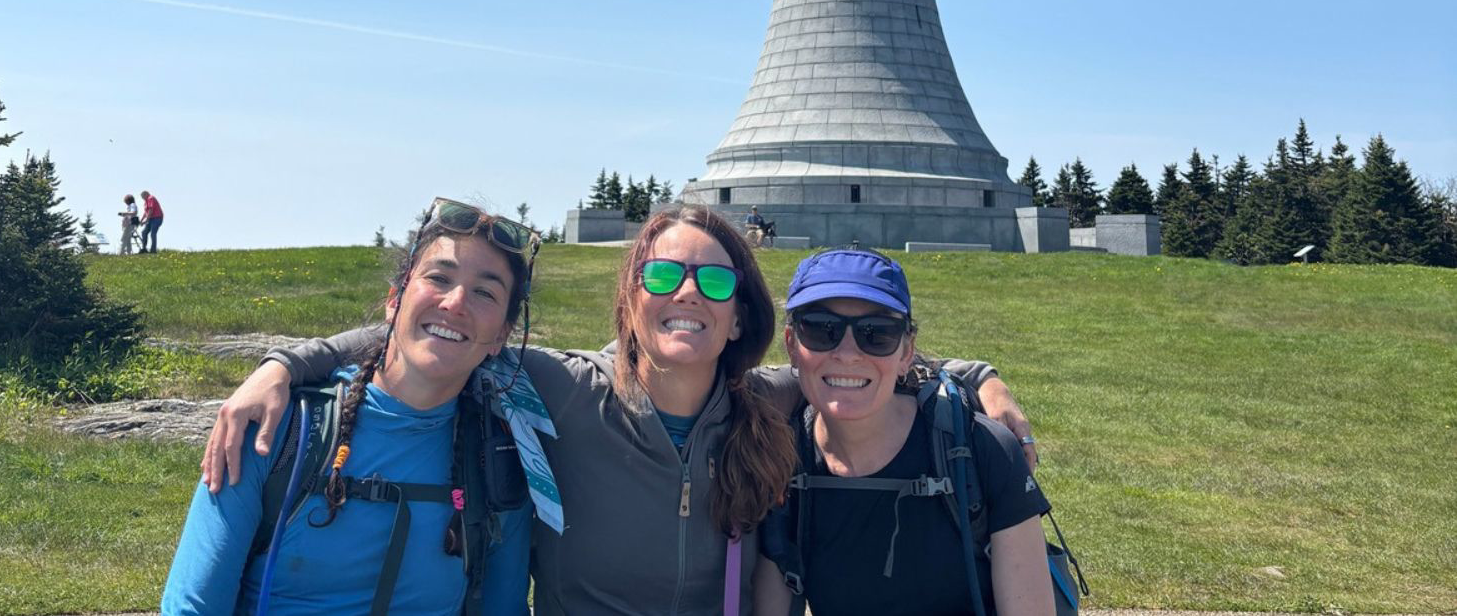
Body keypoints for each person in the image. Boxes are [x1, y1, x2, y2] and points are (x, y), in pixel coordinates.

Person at [201, 206, 1037, 615]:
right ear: (631, 300)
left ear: (740, 314)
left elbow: (861, 363)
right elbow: (456, 327)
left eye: (713, 280)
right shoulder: (561, 388)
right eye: (663, 277)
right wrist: (288, 362)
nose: (687, 296)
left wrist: (979, 377)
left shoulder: (767, 400)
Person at [161, 198, 536, 615]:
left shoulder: (497, 459)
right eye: (439, 278)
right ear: (395, 299)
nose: (456, 303)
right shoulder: (279, 427)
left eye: (485, 292)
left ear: (502, 335)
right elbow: (193, 606)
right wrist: (281, 364)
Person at [753, 249, 1052, 616]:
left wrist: (984, 377)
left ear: (907, 350)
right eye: (820, 328)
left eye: (876, 334)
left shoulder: (983, 448)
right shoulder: (783, 457)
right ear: (791, 345)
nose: (848, 353)